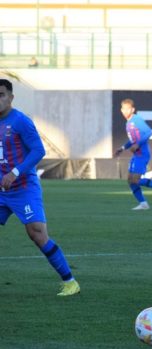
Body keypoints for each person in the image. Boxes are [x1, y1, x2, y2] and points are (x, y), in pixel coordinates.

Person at [0, 79, 80, 296]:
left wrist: (14, 173)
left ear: (11, 97)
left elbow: (38, 151)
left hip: (23, 188)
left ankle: (70, 282)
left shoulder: (20, 121)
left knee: (37, 234)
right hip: (1, 189)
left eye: (2, 94)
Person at [114, 98, 152, 210]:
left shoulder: (136, 119)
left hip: (142, 154)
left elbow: (149, 132)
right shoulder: (128, 123)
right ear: (121, 110)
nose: (125, 111)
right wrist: (123, 148)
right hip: (137, 154)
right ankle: (143, 203)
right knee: (130, 180)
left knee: (135, 180)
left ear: (132, 109)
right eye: (123, 109)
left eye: (127, 109)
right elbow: (132, 140)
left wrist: (138, 145)